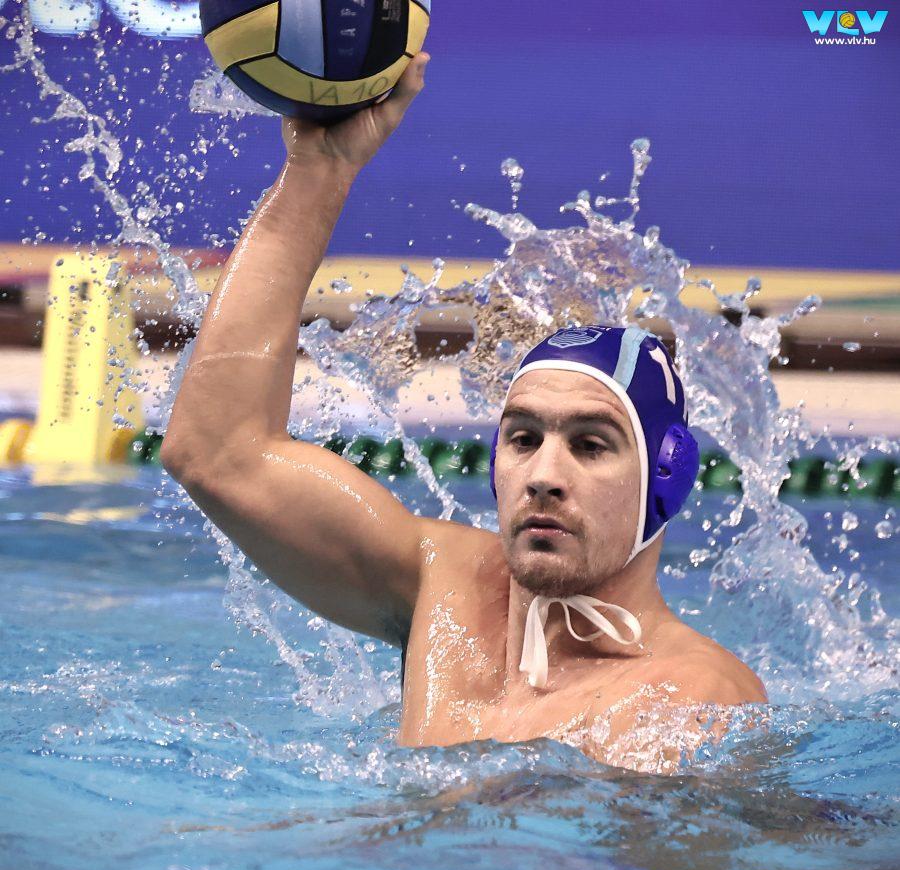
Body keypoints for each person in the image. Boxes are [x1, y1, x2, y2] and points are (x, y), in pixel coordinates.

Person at [162, 52, 767, 773]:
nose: (543, 475)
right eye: (524, 438)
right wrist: (318, 171)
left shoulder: (691, 697)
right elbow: (215, 453)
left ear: (667, 477)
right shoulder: (444, 586)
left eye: (591, 445)